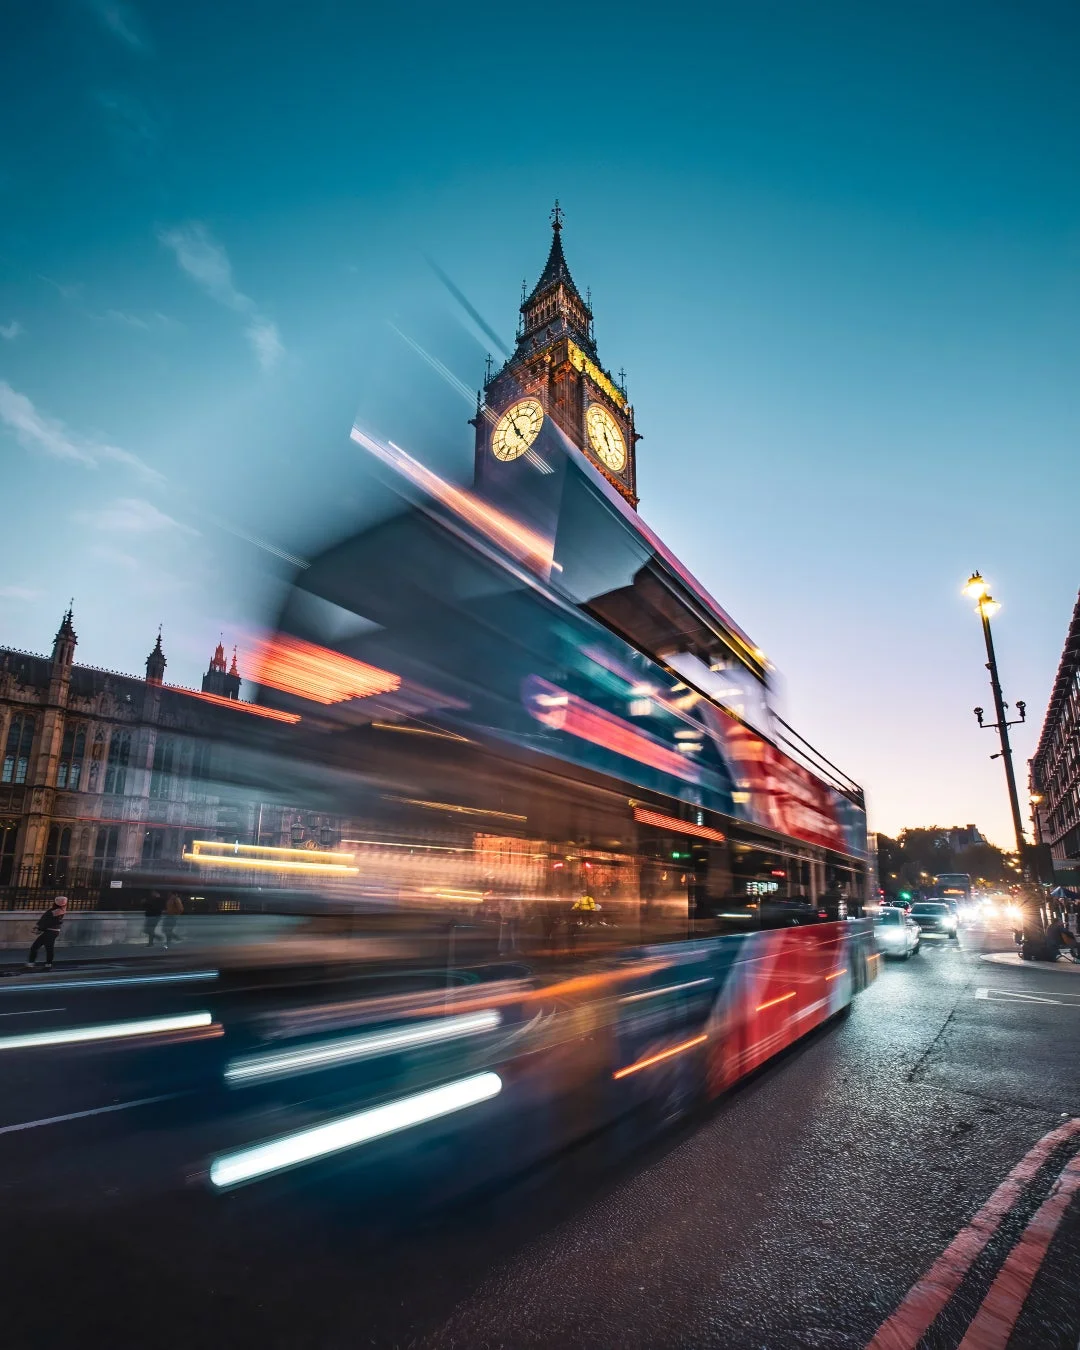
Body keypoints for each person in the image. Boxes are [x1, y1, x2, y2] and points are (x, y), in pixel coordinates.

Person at [26, 895, 68, 970]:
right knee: (49, 948)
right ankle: (48, 965)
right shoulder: (61, 910)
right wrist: (40, 928)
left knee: (35, 947)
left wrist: (39, 929)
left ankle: (31, 964)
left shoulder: (55, 911)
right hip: (53, 932)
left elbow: (46, 921)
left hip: (50, 931)